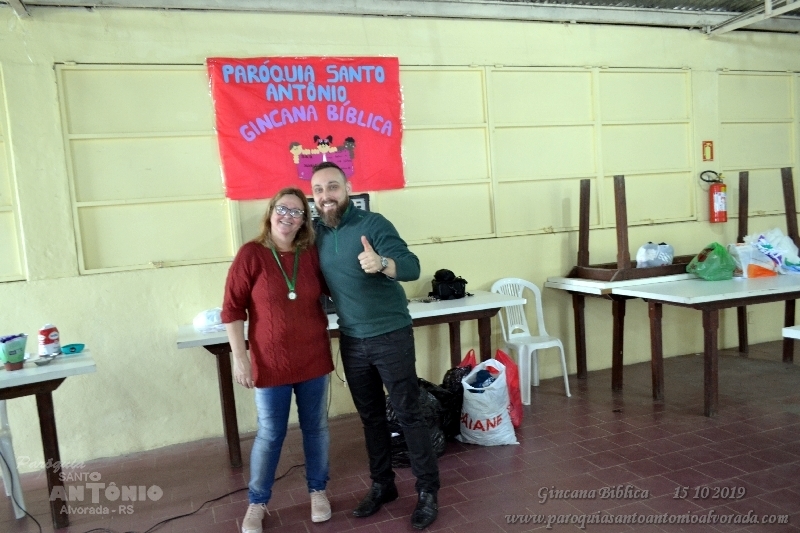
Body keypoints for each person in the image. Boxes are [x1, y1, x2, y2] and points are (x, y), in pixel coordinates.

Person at [310, 162, 440, 530]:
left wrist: (382, 262)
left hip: (390, 334)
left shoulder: (374, 224)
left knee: (408, 413)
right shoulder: (316, 235)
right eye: (318, 190)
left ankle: (428, 490)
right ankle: (384, 484)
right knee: (370, 419)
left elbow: (412, 267)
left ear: (347, 189)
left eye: (332, 187)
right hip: (352, 340)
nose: (325, 196)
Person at [221, 187, 334, 533]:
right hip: (270, 362)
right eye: (283, 209)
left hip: (313, 357)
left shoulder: (311, 253)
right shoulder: (251, 254)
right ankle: (257, 502)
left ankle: (318, 491)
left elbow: (337, 287)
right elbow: (232, 310)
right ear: (271, 213)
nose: (288, 216)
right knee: (271, 434)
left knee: (316, 428)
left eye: (297, 212)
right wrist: (240, 358)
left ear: (304, 221)